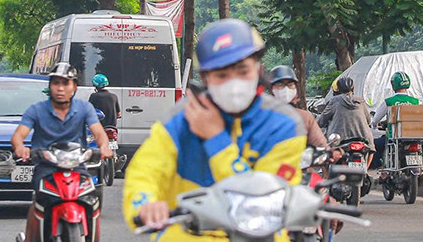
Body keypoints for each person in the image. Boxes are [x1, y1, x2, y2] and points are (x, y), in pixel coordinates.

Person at [125, 19, 307, 236]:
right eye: (221, 75)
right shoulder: (181, 119)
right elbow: (144, 172)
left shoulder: (284, 124)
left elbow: (263, 201)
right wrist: (145, 205)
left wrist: (215, 138)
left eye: (243, 71)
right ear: (204, 79)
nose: (234, 83)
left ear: (258, 69)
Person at [12, 63, 112, 242]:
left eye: (65, 83)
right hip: (47, 168)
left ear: (74, 87)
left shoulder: (85, 108)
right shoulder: (36, 110)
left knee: (92, 201)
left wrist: (104, 146)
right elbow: (19, 135)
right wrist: (21, 148)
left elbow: (98, 132)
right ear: (49, 87)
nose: (60, 88)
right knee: (39, 200)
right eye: (56, 83)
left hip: (77, 168)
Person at [269, 65, 329, 151]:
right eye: (280, 84)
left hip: (301, 162)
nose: (286, 89)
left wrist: (331, 152)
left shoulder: (305, 117)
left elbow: (319, 143)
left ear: (296, 89)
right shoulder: (262, 115)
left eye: (290, 84)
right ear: (271, 89)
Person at [370, 71, 419, 165]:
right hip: (414, 136)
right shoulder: (415, 101)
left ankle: (378, 167)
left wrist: (374, 125)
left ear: (393, 85)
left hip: (395, 137)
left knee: (375, 144)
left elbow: (376, 119)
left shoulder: (389, 101)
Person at [317, 76, 374, 153]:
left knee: (328, 153)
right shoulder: (360, 101)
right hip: (363, 137)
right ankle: (367, 165)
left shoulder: (334, 101)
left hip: (339, 140)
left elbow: (321, 121)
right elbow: (368, 120)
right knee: (371, 150)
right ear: (353, 88)